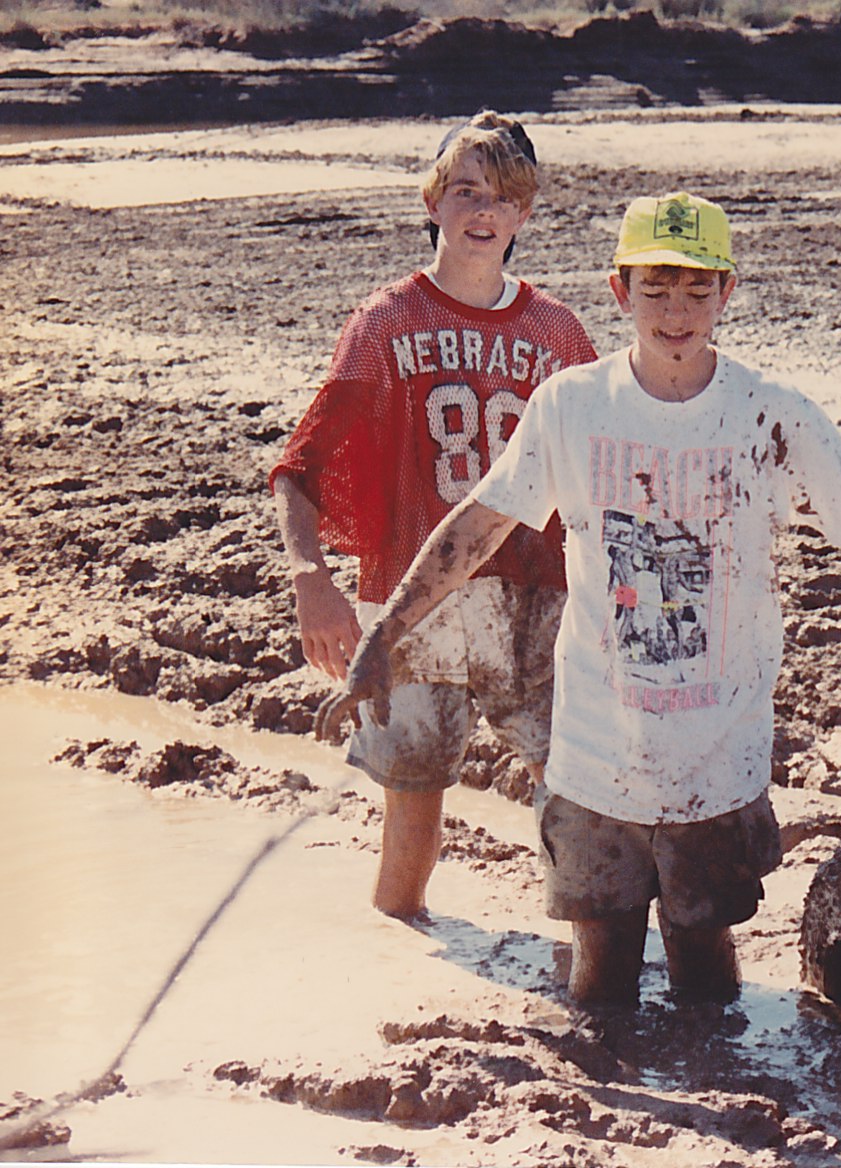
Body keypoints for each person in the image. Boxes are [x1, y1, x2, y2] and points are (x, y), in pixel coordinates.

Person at [314, 191, 841, 1002]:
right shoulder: (572, 408)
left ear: (728, 293)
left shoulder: (768, 414)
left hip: (717, 749)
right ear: (620, 293)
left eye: (695, 290)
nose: (676, 312)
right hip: (595, 750)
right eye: (656, 289)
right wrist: (385, 634)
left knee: (706, 969)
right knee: (599, 974)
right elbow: (478, 527)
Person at [271, 111, 598, 920]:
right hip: (413, 599)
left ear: (524, 216)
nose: (482, 211)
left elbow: (607, 464)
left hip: (532, 596)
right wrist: (310, 576)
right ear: (433, 203)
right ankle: (397, 952)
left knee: (577, 785)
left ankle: (590, 968)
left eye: (502, 197)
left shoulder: (557, 332)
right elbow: (300, 465)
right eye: (465, 192)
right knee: (414, 795)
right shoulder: (385, 323)